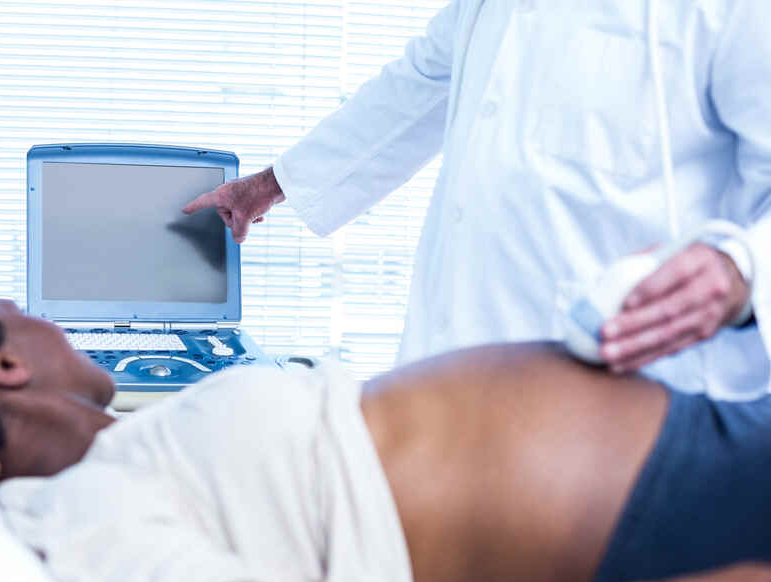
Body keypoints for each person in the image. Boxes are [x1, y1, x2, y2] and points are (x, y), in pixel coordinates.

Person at [0, 266, 771, 582]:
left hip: (711, 442)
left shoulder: (144, 450)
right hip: (684, 524)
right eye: (22, 306)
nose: (47, 314)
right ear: (2, 362)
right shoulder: (82, 520)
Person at [183, 1, 771, 400]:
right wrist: (266, 186)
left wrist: (742, 268)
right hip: (453, 375)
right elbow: (417, 87)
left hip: (633, 396)